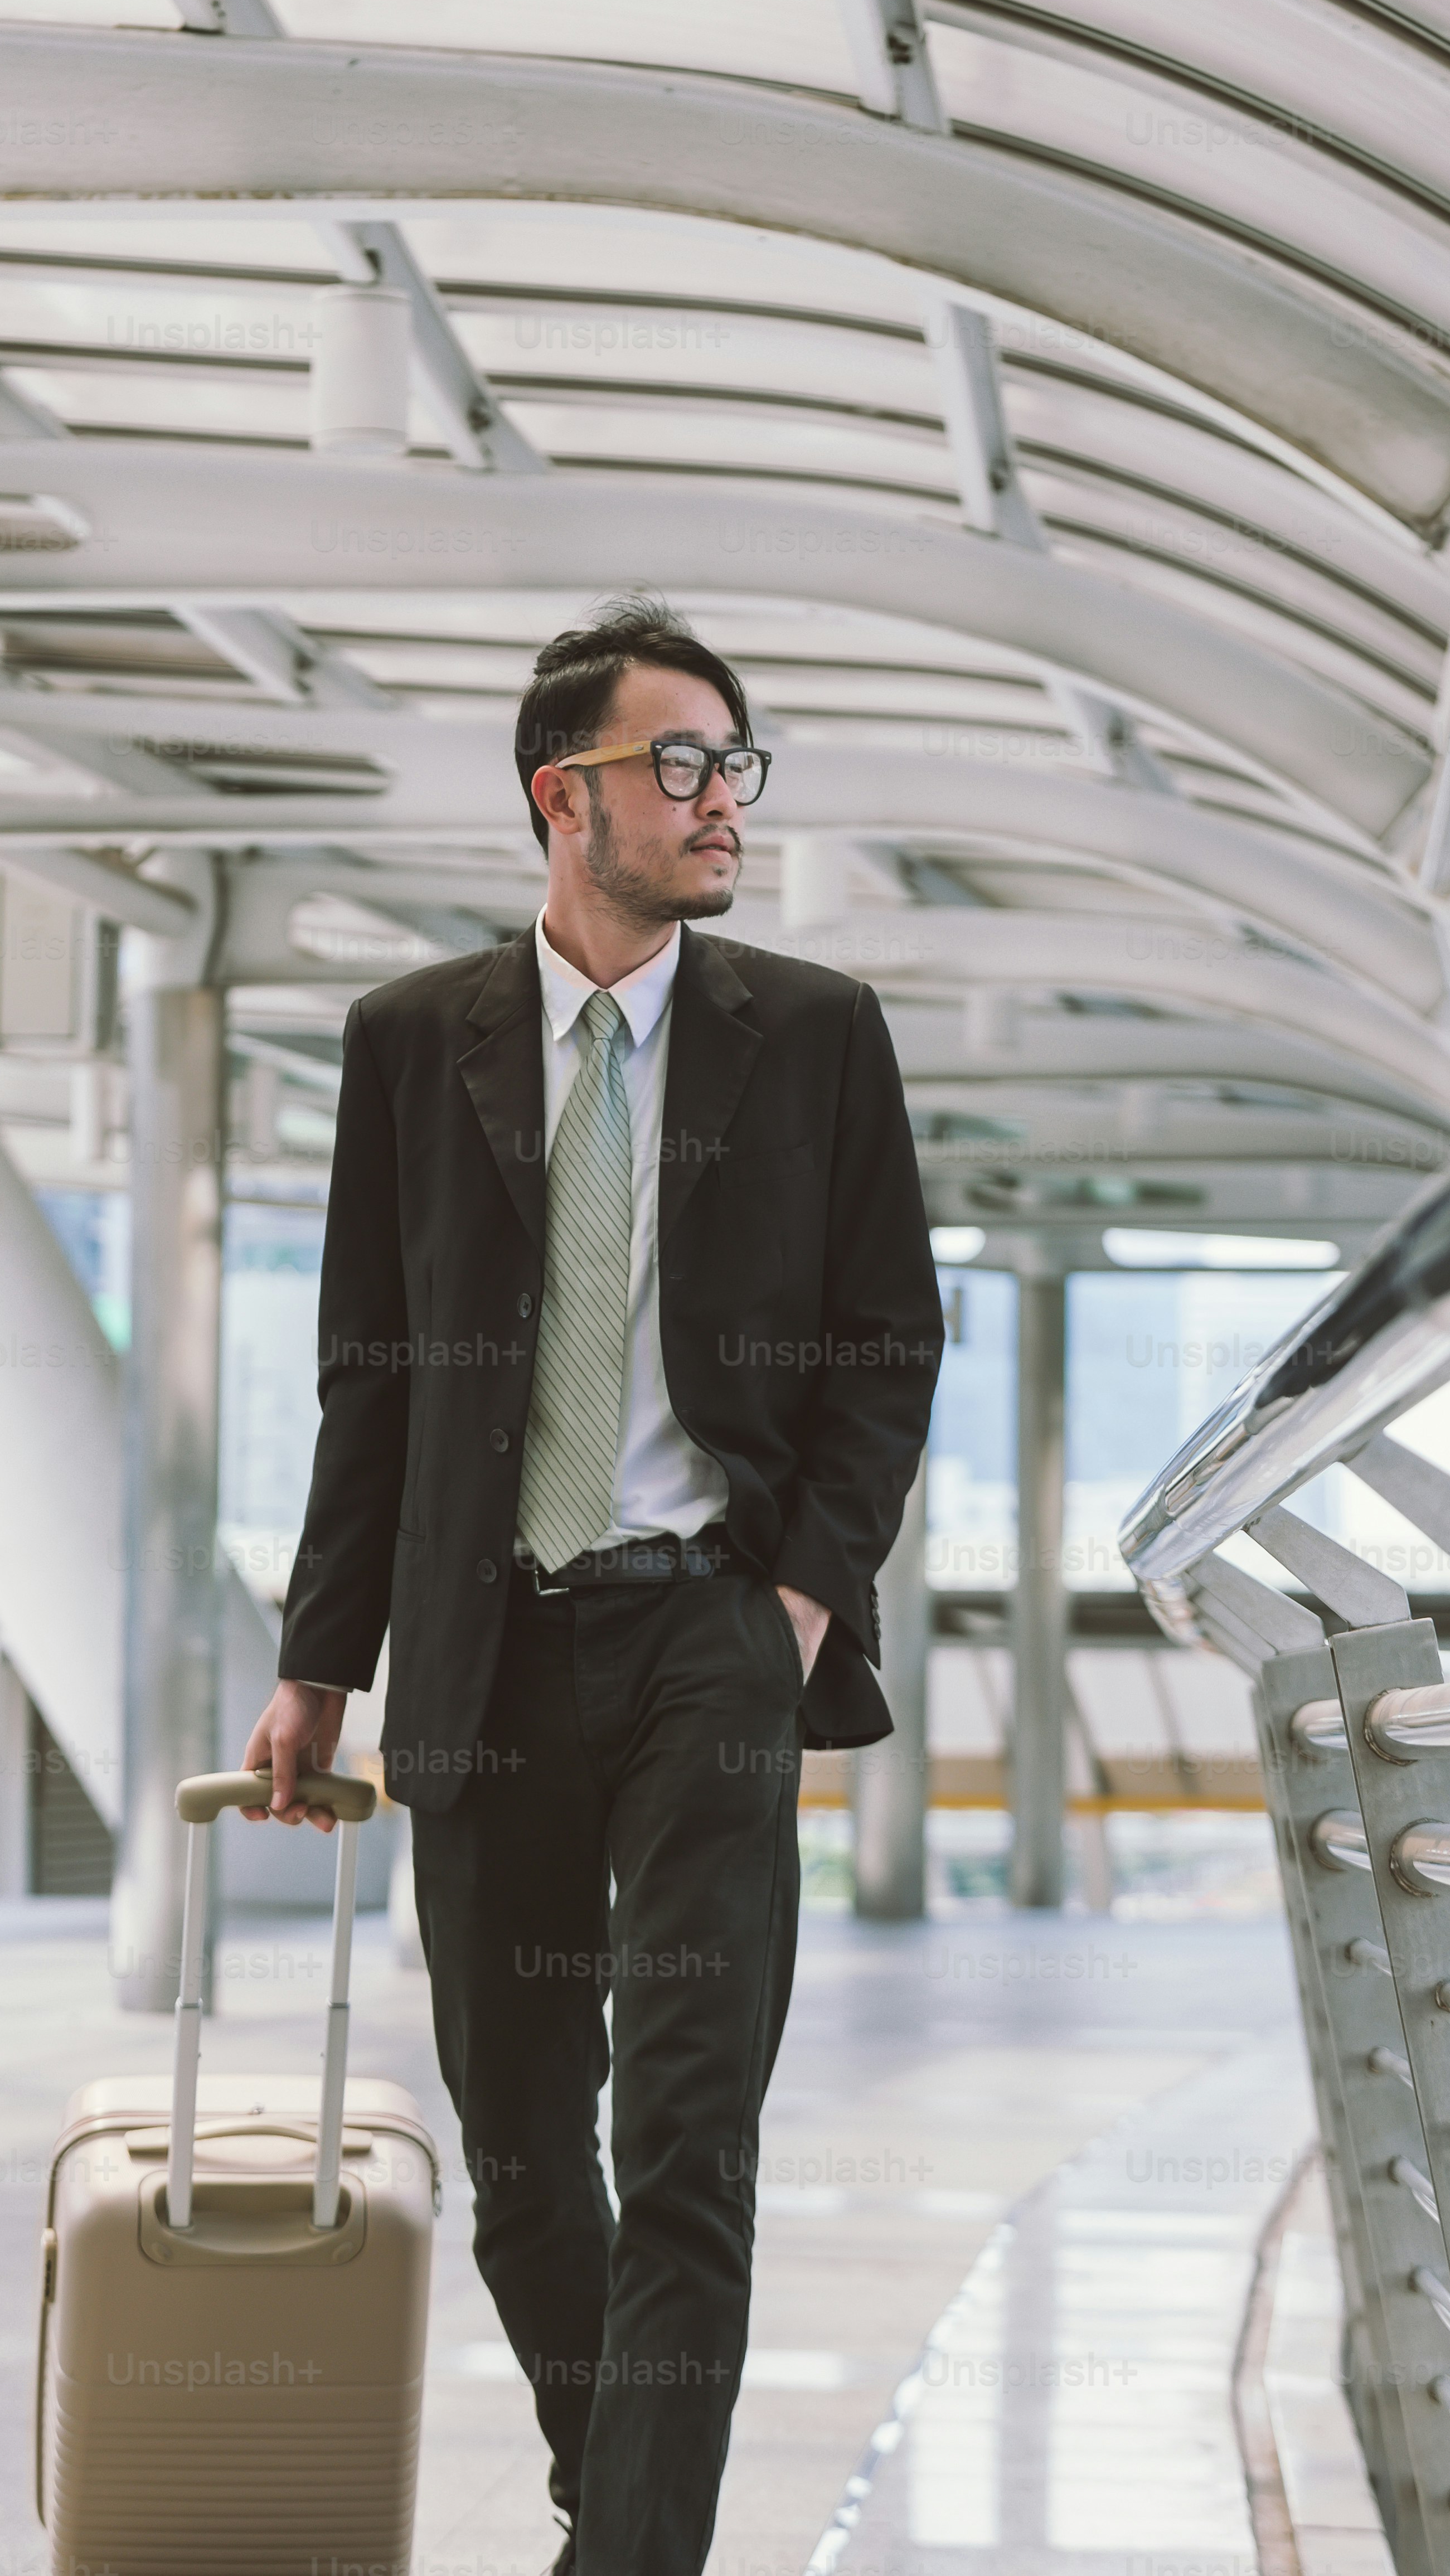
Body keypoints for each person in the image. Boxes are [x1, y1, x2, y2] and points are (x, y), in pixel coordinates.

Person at [244, 594, 942, 2576]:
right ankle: (610, 2494)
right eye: (683, 764)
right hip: (486, 1647)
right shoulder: (412, 1043)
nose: (726, 803)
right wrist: (319, 1658)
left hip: (711, 1630)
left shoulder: (812, 1032)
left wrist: (795, 1606)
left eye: (738, 765)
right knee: (529, 2159)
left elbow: (889, 1339)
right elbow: (373, 1375)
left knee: (691, 2141)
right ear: (568, 798)